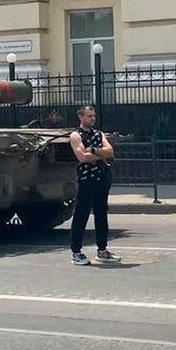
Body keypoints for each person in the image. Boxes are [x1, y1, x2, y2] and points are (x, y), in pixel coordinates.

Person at [68, 104, 120, 266]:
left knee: (101, 215)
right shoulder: (76, 135)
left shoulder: (99, 133)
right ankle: (76, 252)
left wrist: (94, 151)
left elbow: (110, 151)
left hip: (101, 179)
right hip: (86, 180)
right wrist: (100, 153)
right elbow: (82, 156)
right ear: (81, 117)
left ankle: (102, 250)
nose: (93, 119)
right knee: (81, 215)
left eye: (94, 116)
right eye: (89, 116)